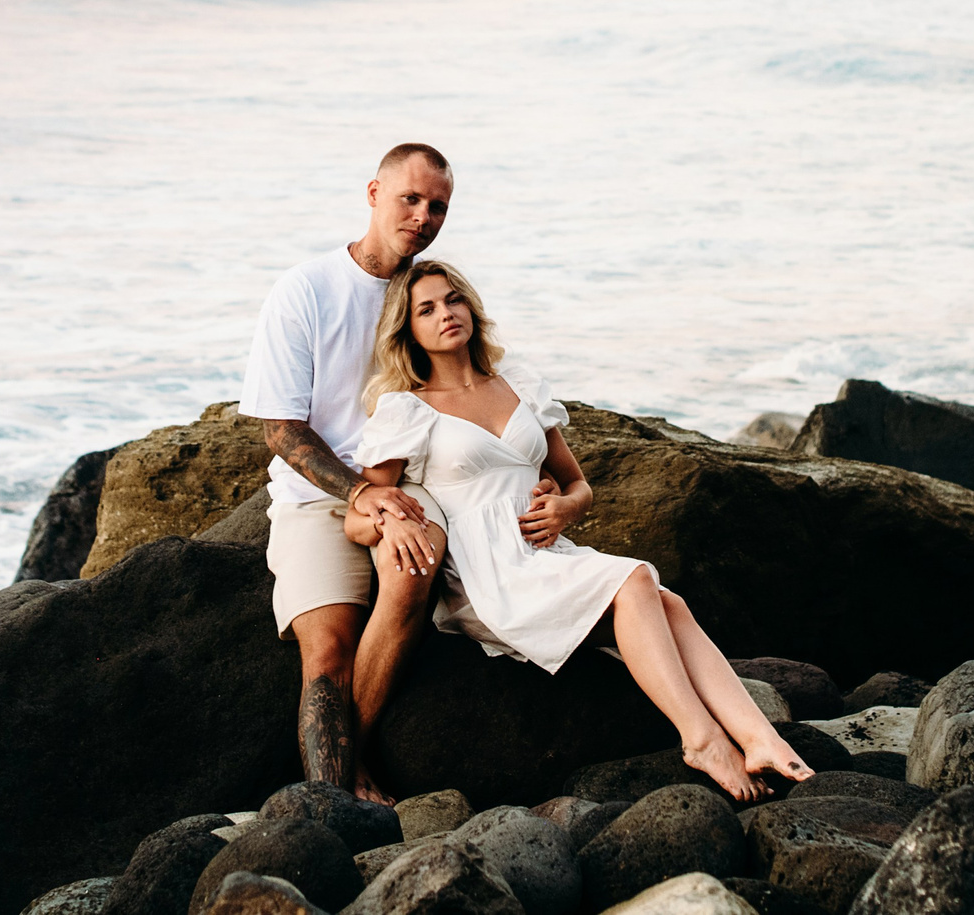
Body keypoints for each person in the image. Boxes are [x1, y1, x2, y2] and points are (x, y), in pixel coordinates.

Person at [344, 259, 815, 801]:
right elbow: (360, 513)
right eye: (426, 309)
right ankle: (701, 737)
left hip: (545, 552)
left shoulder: (515, 383)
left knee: (671, 604)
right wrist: (387, 523)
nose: (446, 314)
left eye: (452, 299)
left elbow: (578, 486)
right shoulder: (409, 410)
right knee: (636, 578)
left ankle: (760, 738)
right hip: (488, 572)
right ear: (409, 331)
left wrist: (565, 510)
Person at [238, 142, 459, 802]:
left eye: (438, 205)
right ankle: (331, 803)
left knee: (413, 572)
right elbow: (279, 426)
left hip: (409, 483)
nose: (423, 215)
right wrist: (364, 491)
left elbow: (468, 386)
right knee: (328, 649)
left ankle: (350, 760)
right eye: (410, 198)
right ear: (373, 192)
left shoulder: (427, 296)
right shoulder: (307, 289)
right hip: (319, 495)